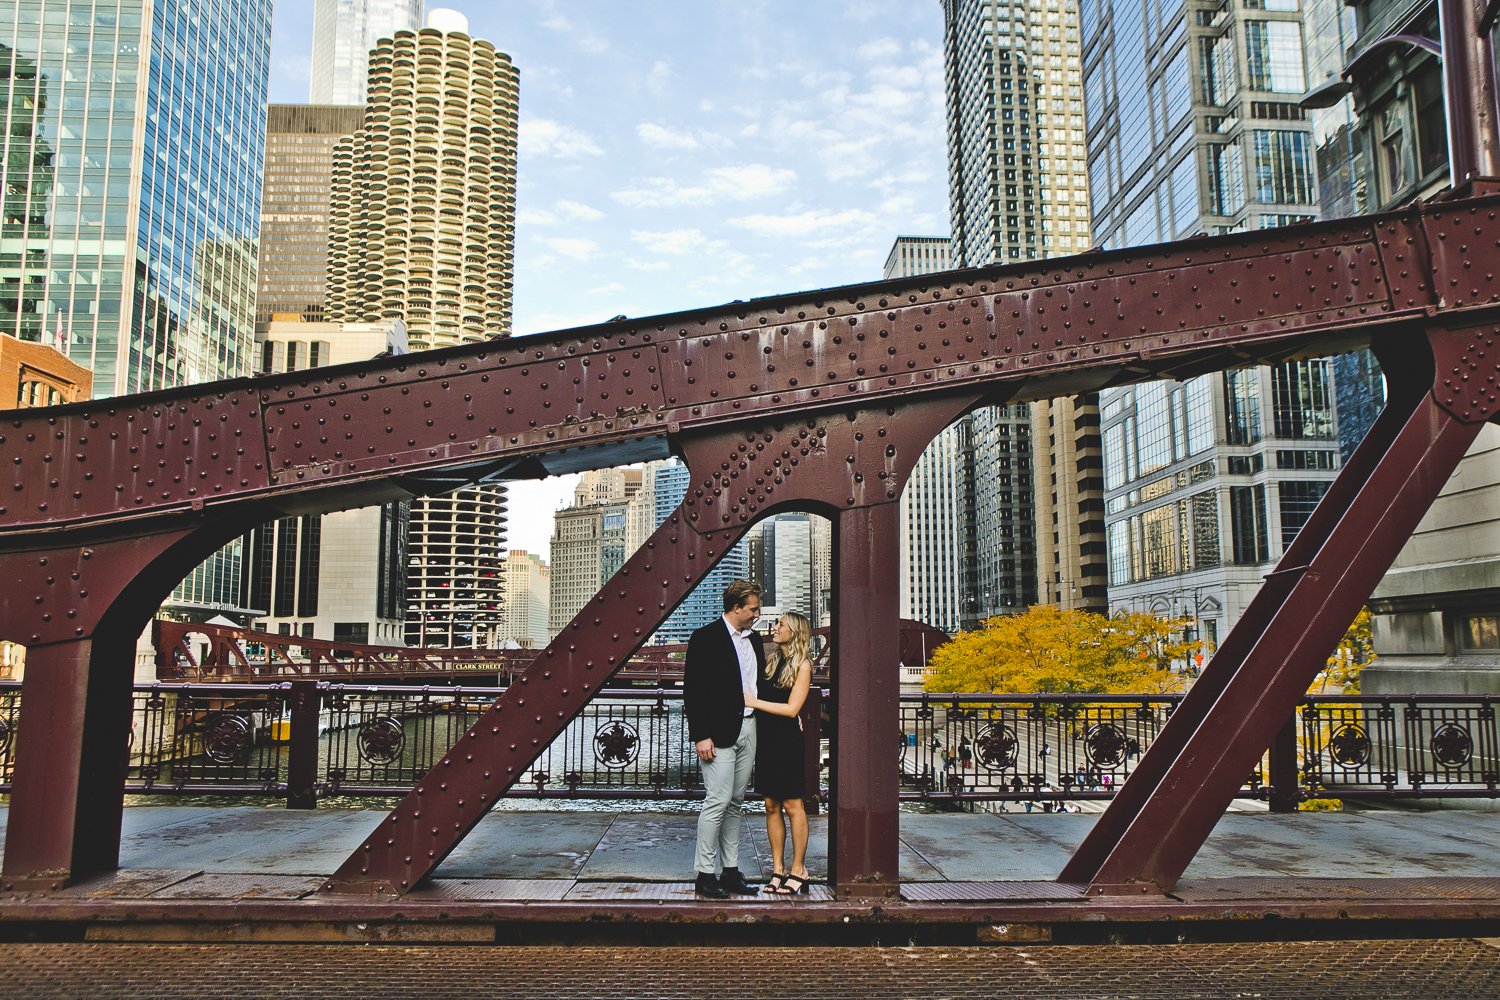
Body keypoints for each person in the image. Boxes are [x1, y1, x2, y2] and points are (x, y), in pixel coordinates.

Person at [684, 579, 765, 898]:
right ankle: (705, 875)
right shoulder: (705, 638)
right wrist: (700, 735)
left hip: (749, 727)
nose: (757, 613)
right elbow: (694, 691)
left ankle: (730, 872)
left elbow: (759, 685)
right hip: (716, 734)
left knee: (735, 803)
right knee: (717, 802)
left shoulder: (754, 640)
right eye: (754, 608)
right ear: (736, 608)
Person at [743, 610, 814, 895]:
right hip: (768, 740)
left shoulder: (804, 666)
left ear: (793, 632)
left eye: (780, 624)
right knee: (770, 805)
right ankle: (778, 870)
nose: (775, 627)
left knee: (793, 806)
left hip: (787, 742)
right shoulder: (772, 662)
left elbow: (792, 709)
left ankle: (799, 869)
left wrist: (754, 702)